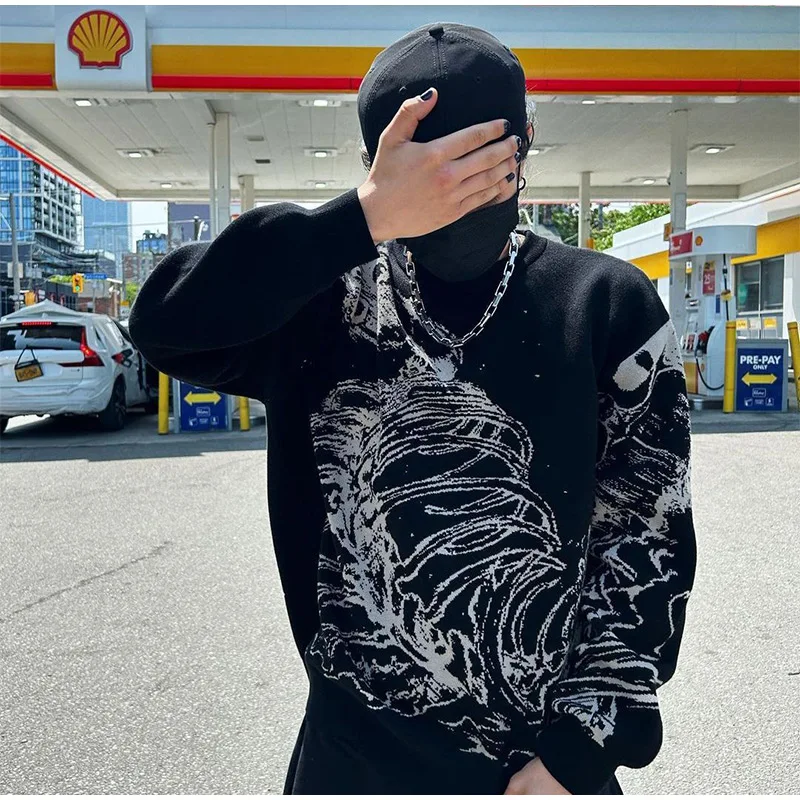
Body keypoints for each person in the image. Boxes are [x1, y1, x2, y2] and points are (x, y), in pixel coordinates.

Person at [130, 22, 696, 796]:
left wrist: (580, 752)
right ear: (378, 166)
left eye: (481, 160)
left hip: (543, 769)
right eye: (428, 169)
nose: (456, 191)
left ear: (525, 145)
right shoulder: (322, 303)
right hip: (351, 764)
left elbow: (647, 536)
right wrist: (357, 221)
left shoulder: (603, 303)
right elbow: (164, 325)